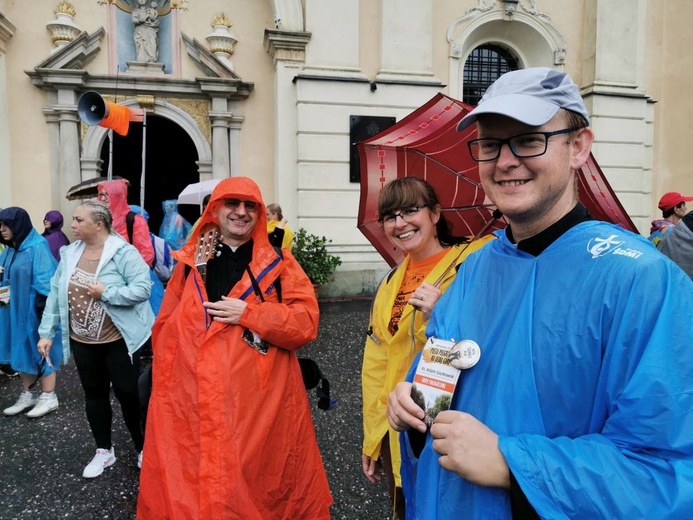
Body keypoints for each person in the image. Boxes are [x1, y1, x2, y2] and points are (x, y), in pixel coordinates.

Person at [386, 67, 693, 519]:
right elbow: (440, 382)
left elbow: (665, 472)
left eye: (529, 140)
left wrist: (514, 465)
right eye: (490, 145)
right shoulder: (474, 268)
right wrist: (414, 408)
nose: (505, 161)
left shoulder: (643, 281)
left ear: (578, 147)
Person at [137, 177, 332, 519]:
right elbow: (166, 326)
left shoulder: (280, 263)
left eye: (250, 205)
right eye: (232, 203)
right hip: (196, 397)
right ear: (216, 209)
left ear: (260, 214)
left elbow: (305, 323)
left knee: (257, 483)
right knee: (198, 479)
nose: (241, 212)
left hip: (259, 403)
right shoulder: (190, 263)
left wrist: (252, 314)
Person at [361, 177, 493, 519]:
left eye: (410, 210)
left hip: (454, 427)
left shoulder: (475, 262)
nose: (399, 223)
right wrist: (373, 436)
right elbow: (376, 365)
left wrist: (443, 313)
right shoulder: (391, 281)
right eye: (390, 216)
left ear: (435, 213)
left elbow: (496, 337)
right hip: (401, 429)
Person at [37, 200, 154, 478]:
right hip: (83, 341)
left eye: (78, 220)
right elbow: (56, 293)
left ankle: (143, 447)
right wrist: (46, 333)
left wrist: (107, 293)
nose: (72, 225)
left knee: (128, 393)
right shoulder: (69, 253)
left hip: (119, 340)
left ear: (98, 224)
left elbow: (143, 289)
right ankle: (104, 450)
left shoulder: (123, 253)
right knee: (94, 394)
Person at [0, 207, 62, 418]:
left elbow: (45, 282)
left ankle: (49, 395)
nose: (2, 229)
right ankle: (28, 393)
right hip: (13, 311)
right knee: (20, 348)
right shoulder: (10, 249)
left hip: (33, 310)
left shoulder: (38, 247)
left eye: (6, 225)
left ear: (18, 225)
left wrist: (42, 315)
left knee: (40, 349)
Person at [97, 179, 154, 267]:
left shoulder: (135, 220)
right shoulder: (100, 219)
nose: (103, 198)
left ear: (117, 196)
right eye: (101, 194)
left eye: (107, 194)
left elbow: (146, 255)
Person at [658, 208, 693, 279]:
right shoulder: (669, 231)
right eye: (683, 205)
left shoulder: (662, 232)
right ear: (676, 209)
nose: (685, 208)